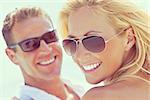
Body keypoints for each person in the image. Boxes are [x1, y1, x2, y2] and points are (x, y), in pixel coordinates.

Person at [59, 0, 150, 99]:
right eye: (71, 43)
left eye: (93, 41)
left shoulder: (101, 96)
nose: (79, 55)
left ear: (129, 38)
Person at [2, 7, 84, 100]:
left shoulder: (84, 89)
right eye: (30, 44)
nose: (46, 49)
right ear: (12, 56)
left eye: (50, 37)